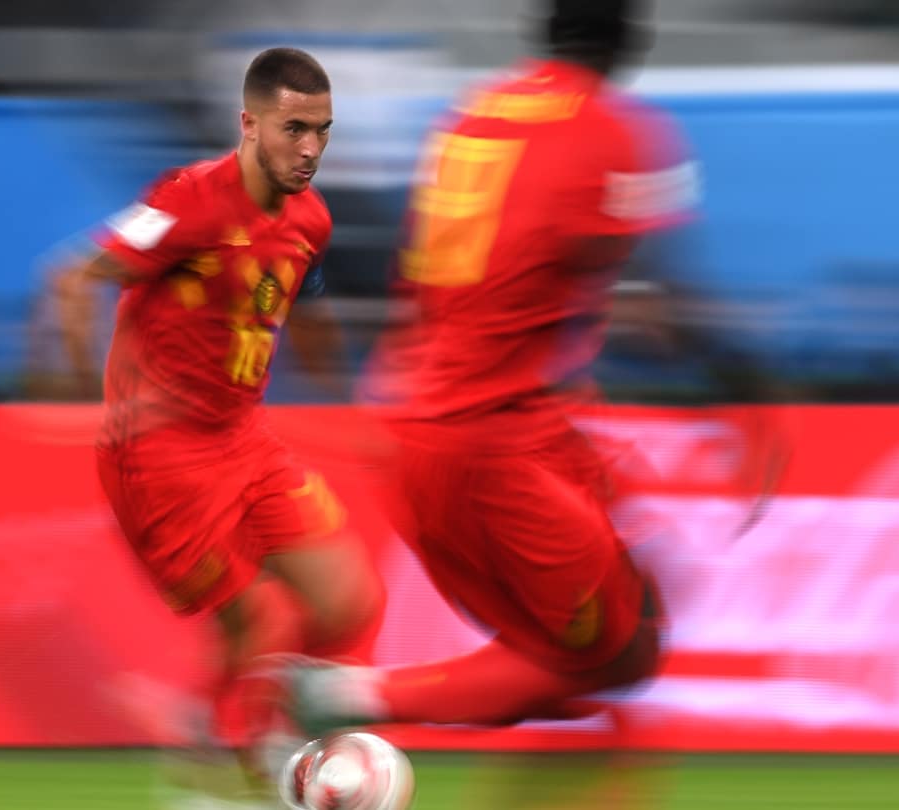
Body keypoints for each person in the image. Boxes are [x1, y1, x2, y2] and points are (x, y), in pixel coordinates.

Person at [273, 0, 698, 736]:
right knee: (604, 652)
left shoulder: (473, 113)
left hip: (439, 420)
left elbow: (474, 274)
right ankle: (338, 700)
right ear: (634, 37)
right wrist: (747, 397)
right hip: (486, 442)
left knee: (620, 650)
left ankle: (343, 703)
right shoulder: (609, 127)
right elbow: (665, 295)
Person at [41, 46, 383, 781]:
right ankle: (218, 767)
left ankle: (242, 739)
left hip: (243, 439)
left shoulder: (310, 219)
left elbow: (305, 302)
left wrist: (339, 394)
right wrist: (77, 391)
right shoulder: (187, 199)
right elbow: (75, 276)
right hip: (159, 454)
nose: (311, 148)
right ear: (250, 124)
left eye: (323, 130)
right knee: (260, 622)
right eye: (294, 128)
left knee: (348, 599)